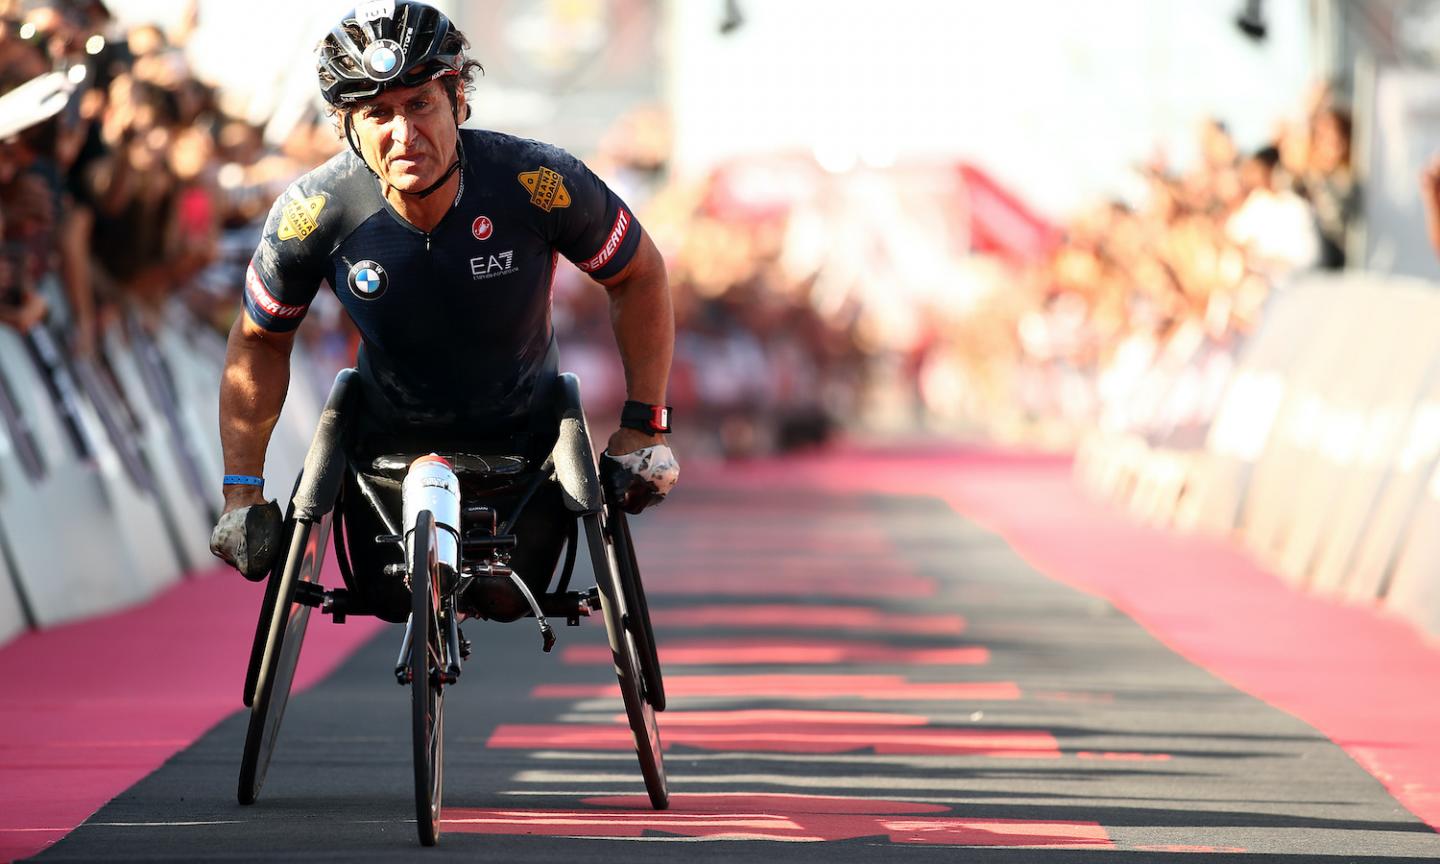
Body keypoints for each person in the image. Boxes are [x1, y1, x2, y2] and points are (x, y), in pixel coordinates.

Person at [209, 0, 678, 623]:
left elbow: (639, 274)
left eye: (419, 104)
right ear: (347, 126)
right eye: (377, 113)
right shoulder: (313, 211)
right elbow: (259, 341)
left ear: (459, 100)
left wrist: (645, 424)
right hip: (384, 448)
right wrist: (242, 492)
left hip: (525, 442)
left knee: (508, 599)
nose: (402, 134)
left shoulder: (537, 180)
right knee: (387, 601)